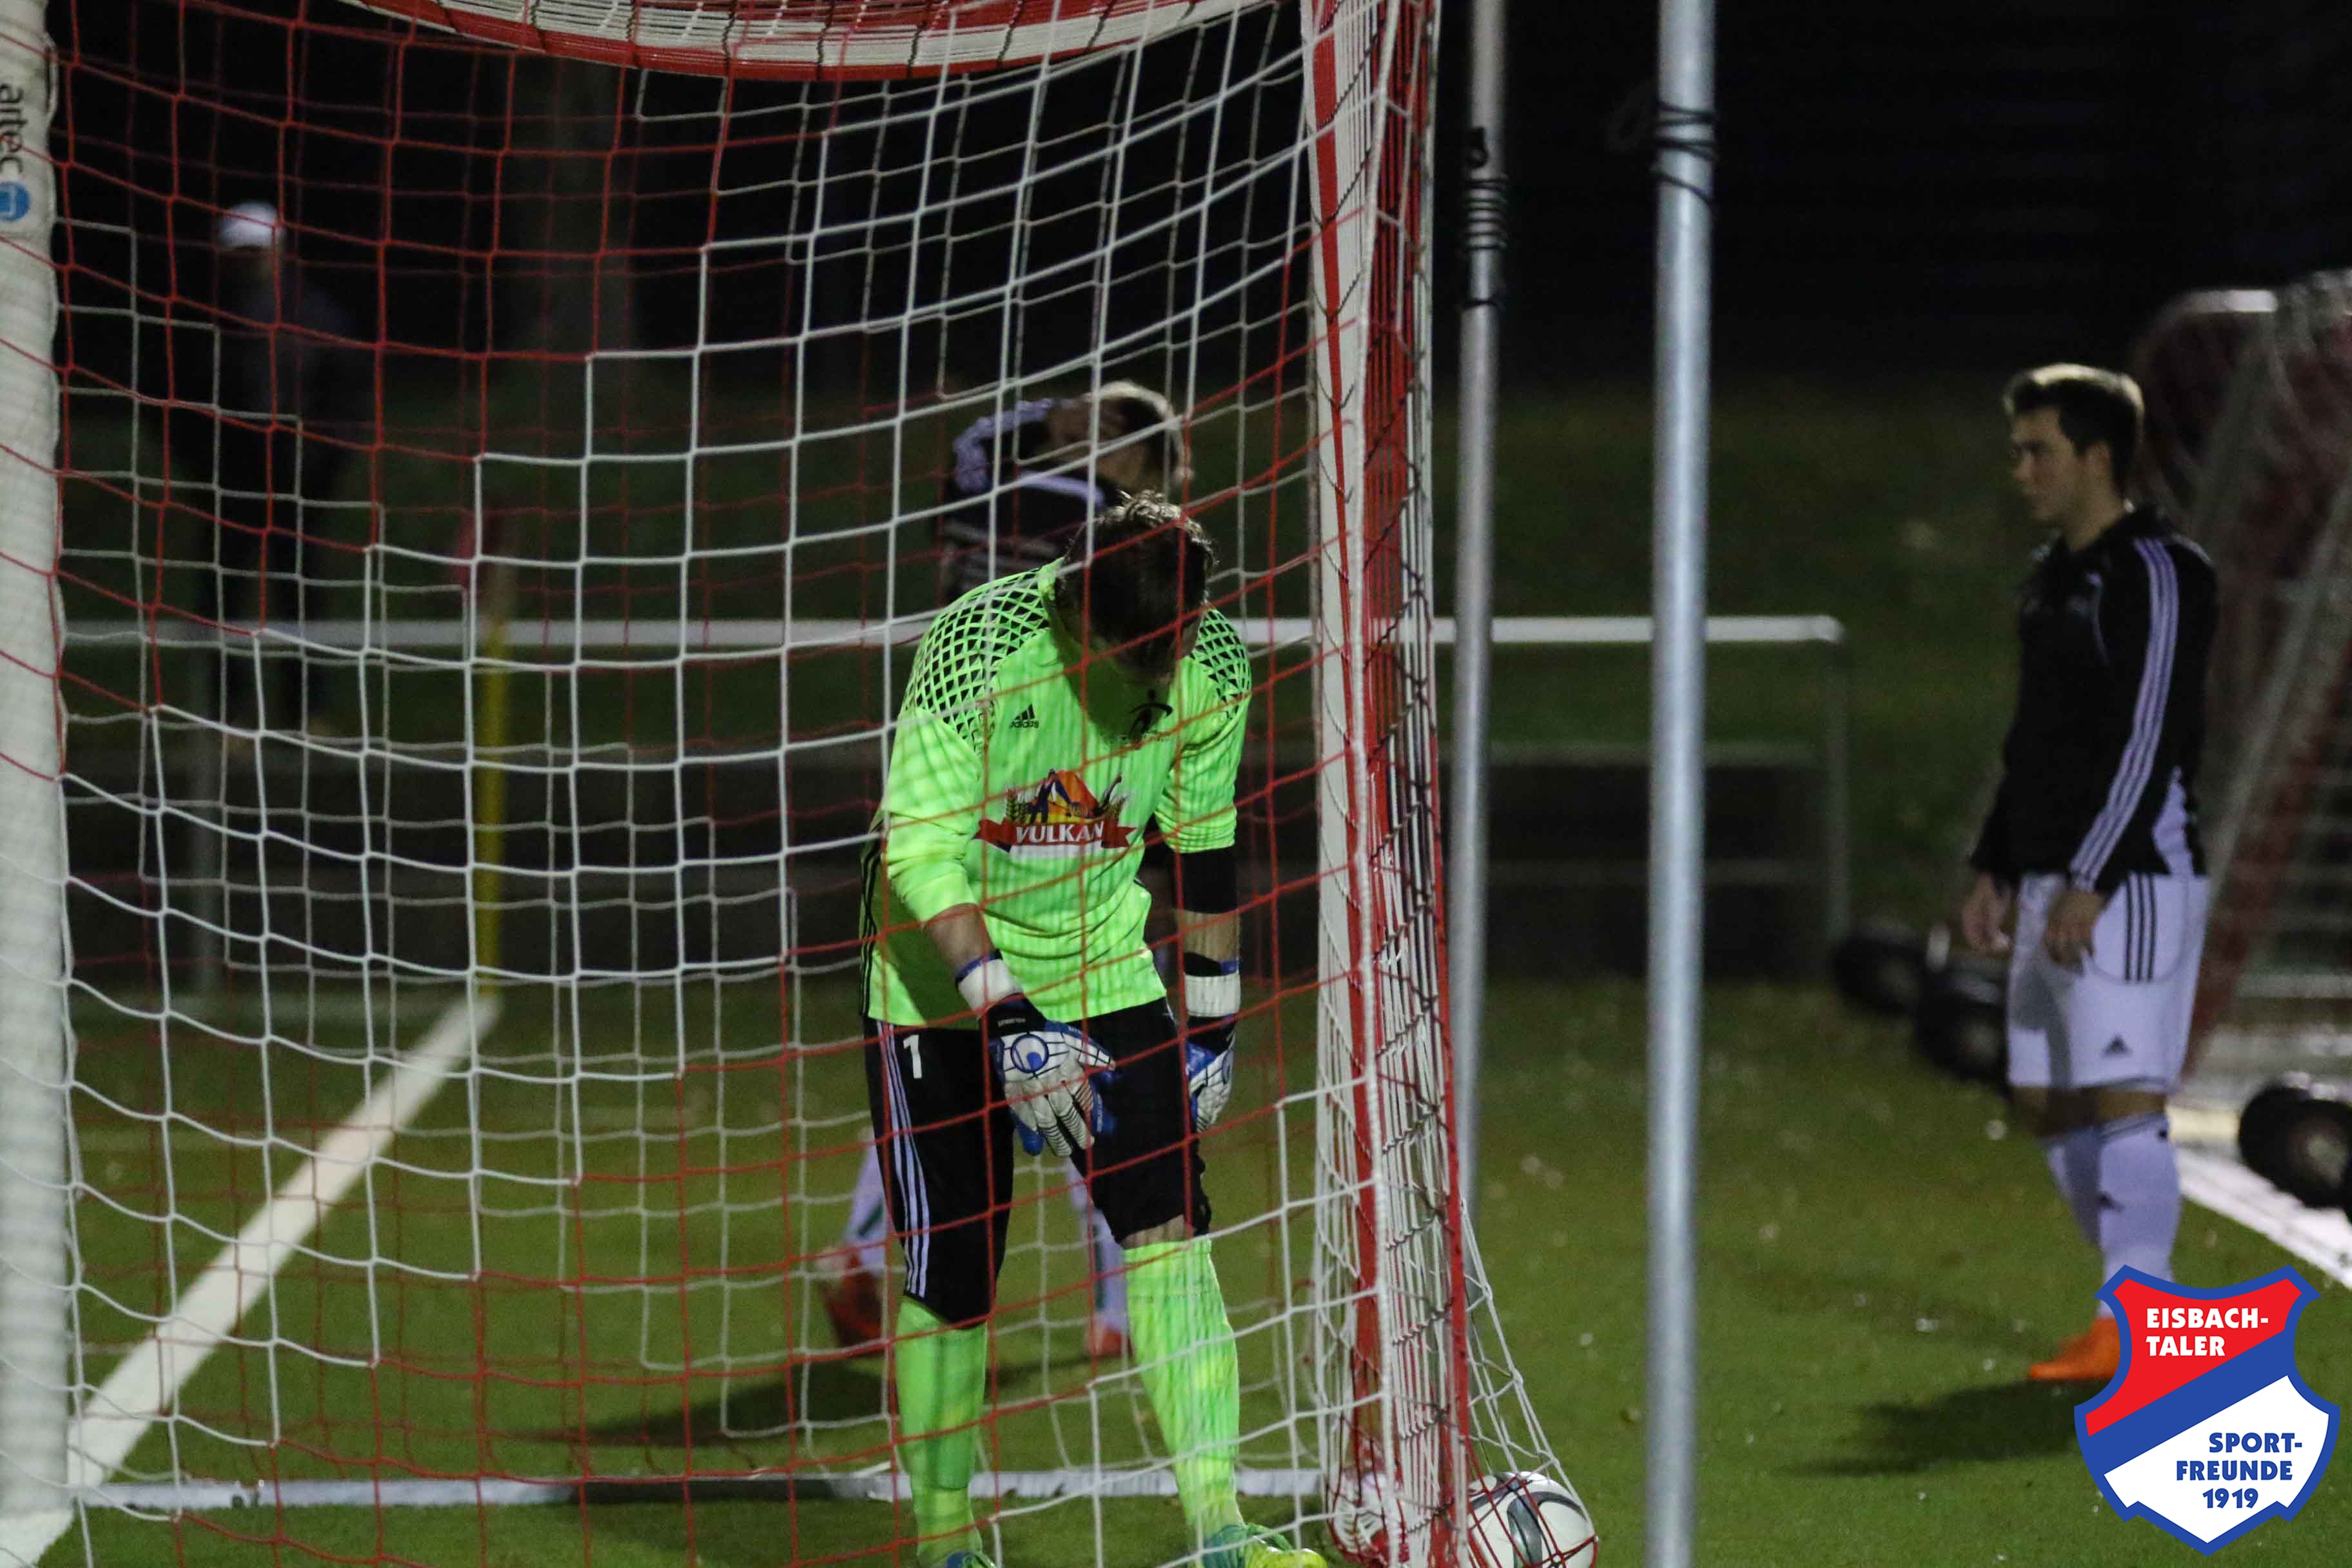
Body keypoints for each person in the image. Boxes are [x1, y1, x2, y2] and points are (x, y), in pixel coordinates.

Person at [857, 494, 1315, 1568]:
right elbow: (918, 854)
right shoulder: (978, 648)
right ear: (1080, 618)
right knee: (952, 1270)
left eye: (1175, 648)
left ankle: (1222, 1530)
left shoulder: (1211, 662)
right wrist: (1008, 1016)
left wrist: (1211, 1025)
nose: (1161, 677)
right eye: (1140, 656)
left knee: (1168, 1230)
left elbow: (1203, 845)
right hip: (938, 986)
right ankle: (945, 1542)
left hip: (1104, 969)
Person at [818, 380, 1191, 1359]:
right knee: (1060, 1053)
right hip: (1030, 804)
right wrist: (1075, 423)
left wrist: (1055, 422)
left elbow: (977, 457)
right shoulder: (1082, 525)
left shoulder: (1032, 511)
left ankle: (872, 1248)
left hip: (984, 803)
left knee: (976, 1051)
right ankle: (1112, 1304)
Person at [1960, 364, 2217, 1384]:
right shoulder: (2051, 579)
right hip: (2048, 876)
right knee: (2042, 1094)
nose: (2022, 470)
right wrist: (1996, 861)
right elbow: (2035, 740)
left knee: (2121, 1094)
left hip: (2131, 879)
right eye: (2019, 451)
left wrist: (2094, 877)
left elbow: (2151, 736)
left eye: (2041, 451)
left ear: (2098, 457)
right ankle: (2141, 1308)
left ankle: (2142, 1319)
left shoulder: (2160, 571)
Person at [204, 201, 364, 735]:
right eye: (241, 252)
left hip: (301, 480)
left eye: (259, 251)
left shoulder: (318, 317)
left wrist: (322, 461)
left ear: (280, 251)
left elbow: (346, 398)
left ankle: (307, 712)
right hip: (229, 480)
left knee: (301, 590)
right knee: (224, 594)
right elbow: (178, 400)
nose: (250, 262)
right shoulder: (205, 320)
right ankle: (229, 715)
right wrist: (204, 465)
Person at [934, 382, 1189, 599]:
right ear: (1136, 456)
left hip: (959, 636)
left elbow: (969, 449)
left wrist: (1047, 416)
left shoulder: (984, 488)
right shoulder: (1111, 530)